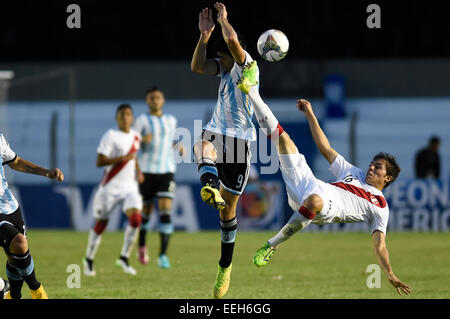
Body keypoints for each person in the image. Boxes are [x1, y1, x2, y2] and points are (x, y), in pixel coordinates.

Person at [237, 61, 411, 295]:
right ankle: (252, 92)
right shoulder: (354, 173)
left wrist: (389, 273)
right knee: (283, 139)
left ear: (387, 178)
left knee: (316, 201)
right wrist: (310, 114)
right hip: (307, 184)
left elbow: (379, 243)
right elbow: (325, 148)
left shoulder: (380, 206)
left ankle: (271, 245)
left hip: (322, 207)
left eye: (377, 167)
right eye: (372, 163)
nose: (371, 168)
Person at [190, 2, 258, 298]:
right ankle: (209, 185)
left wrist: (224, 19)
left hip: (241, 142)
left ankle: (225, 267)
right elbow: (195, 66)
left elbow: (232, 41)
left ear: (235, 53)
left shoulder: (248, 65)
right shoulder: (223, 67)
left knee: (229, 213)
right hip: (218, 132)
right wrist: (203, 39)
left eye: (222, 53)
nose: (219, 57)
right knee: (201, 144)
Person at [0, 132, 64, 299]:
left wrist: (46, 173)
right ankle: (36, 290)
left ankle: (14, 295)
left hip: (10, 207)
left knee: (15, 254)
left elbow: (17, 162)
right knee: (19, 243)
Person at [83, 104, 144, 276]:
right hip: (109, 187)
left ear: (132, 118)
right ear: (117, 117)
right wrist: (123, 158)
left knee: (136, 219)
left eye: (128, 114)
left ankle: (124, 257)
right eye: (122, 114)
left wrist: (138, 171)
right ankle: (89, 258)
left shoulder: (136, 136)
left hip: (130, 188)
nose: (125, 117)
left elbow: (134, 157)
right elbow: (100, 161)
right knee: (101, 224)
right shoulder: (111, 136)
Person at [133, 86, 184, 269]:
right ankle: (141, 245)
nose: (155, 100)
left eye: (158, 97)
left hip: (166, 171)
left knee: (165, 212)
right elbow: (131, 145)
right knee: (145, 214)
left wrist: (178, 145)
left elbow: (168, 138)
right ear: (147, 101)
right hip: (146, 172)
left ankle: (163, 255)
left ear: (163, 100)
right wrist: (140, 141)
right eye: (151, 98)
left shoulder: (171, 120)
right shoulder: (141, 121)